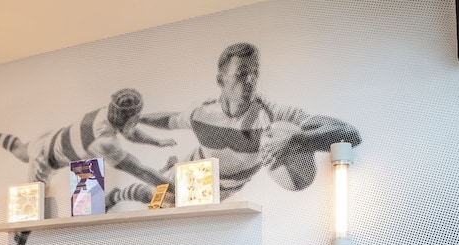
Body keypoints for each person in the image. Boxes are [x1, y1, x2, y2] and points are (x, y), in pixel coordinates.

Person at [108, 42, 361, 208]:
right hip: (194, 175)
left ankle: (160, 172)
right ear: (221, 79)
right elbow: (171, 120)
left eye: (255, 73)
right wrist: (137, 119)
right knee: (150, 196)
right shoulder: (203, 112)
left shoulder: (274, 113)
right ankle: (116, 195)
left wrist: (298, 140)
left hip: (227, 188)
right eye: (241, 74)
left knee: (161, 201)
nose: (250, 80)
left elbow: (350, 134)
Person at [0, 87, 176, 245]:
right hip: (46, 160)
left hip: (50, 138)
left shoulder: (106, 113)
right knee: (29, 213)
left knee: (21, 150)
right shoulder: (105, 142)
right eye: (135, 119)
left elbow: (129, 132)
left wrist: (157, 142)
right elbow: (140, 170)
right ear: (130, 119)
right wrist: (176, 188)